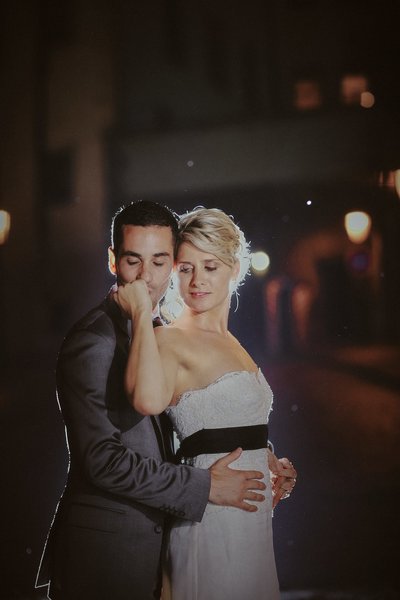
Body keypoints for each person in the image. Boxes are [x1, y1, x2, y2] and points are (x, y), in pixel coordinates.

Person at [36, 201, 296, 600]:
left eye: (160, 261)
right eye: (133, 260)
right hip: (111, 549)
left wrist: (260, 458)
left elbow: (189, 426)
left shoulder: (161, 327)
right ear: (112, 261)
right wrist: (205, 487)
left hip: (170, 530)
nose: (147, 276)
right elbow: (103, 461)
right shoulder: (95, 341)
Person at [117, 206, 294, 600]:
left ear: (235, 269)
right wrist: (142, 314)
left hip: (252, 521)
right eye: (185, 268)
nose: (196, 281)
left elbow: (223, 423)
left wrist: (267, 458)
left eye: (210, 267)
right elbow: (146, 400)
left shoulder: (234, 343)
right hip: (212, 518)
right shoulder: (169, 340)